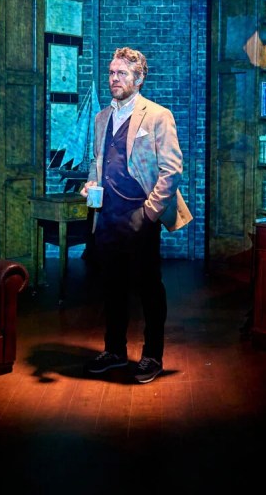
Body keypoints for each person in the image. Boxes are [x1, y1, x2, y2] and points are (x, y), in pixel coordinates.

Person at [81, 46, 192, 384]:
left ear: (139, 78)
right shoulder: (101, 118)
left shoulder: (158, 115)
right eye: (111, 73)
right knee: (112, 287)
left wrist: (149, 213)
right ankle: (114, 351)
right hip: (107, 216)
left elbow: (171, 170)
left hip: (140, 216)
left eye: (122, 73)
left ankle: (152, 355)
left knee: (148, 287)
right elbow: (97, 161)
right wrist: (91, 184)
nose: (114, 78)